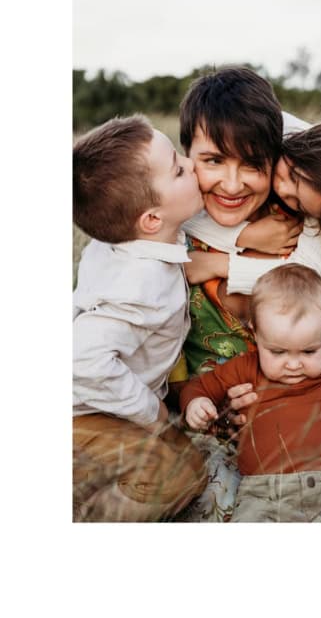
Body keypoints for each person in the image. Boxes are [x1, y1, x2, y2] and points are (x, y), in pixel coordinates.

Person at [180, 264, 321, 521]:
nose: (293, 364)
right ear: (255, 332)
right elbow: (198, 387)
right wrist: (197, 403)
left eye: (309, 351)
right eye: (277, 352)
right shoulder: (245, 368)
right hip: (264, 498)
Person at [72, 115, 208, 521]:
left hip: (102, 408)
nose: (193, 164)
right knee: (172, 479)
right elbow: (81, 360)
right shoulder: (141, 282)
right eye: (180, 169)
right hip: (82, 411)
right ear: (151, 219)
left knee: (194, 468)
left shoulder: (124, 240)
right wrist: (151, 411)